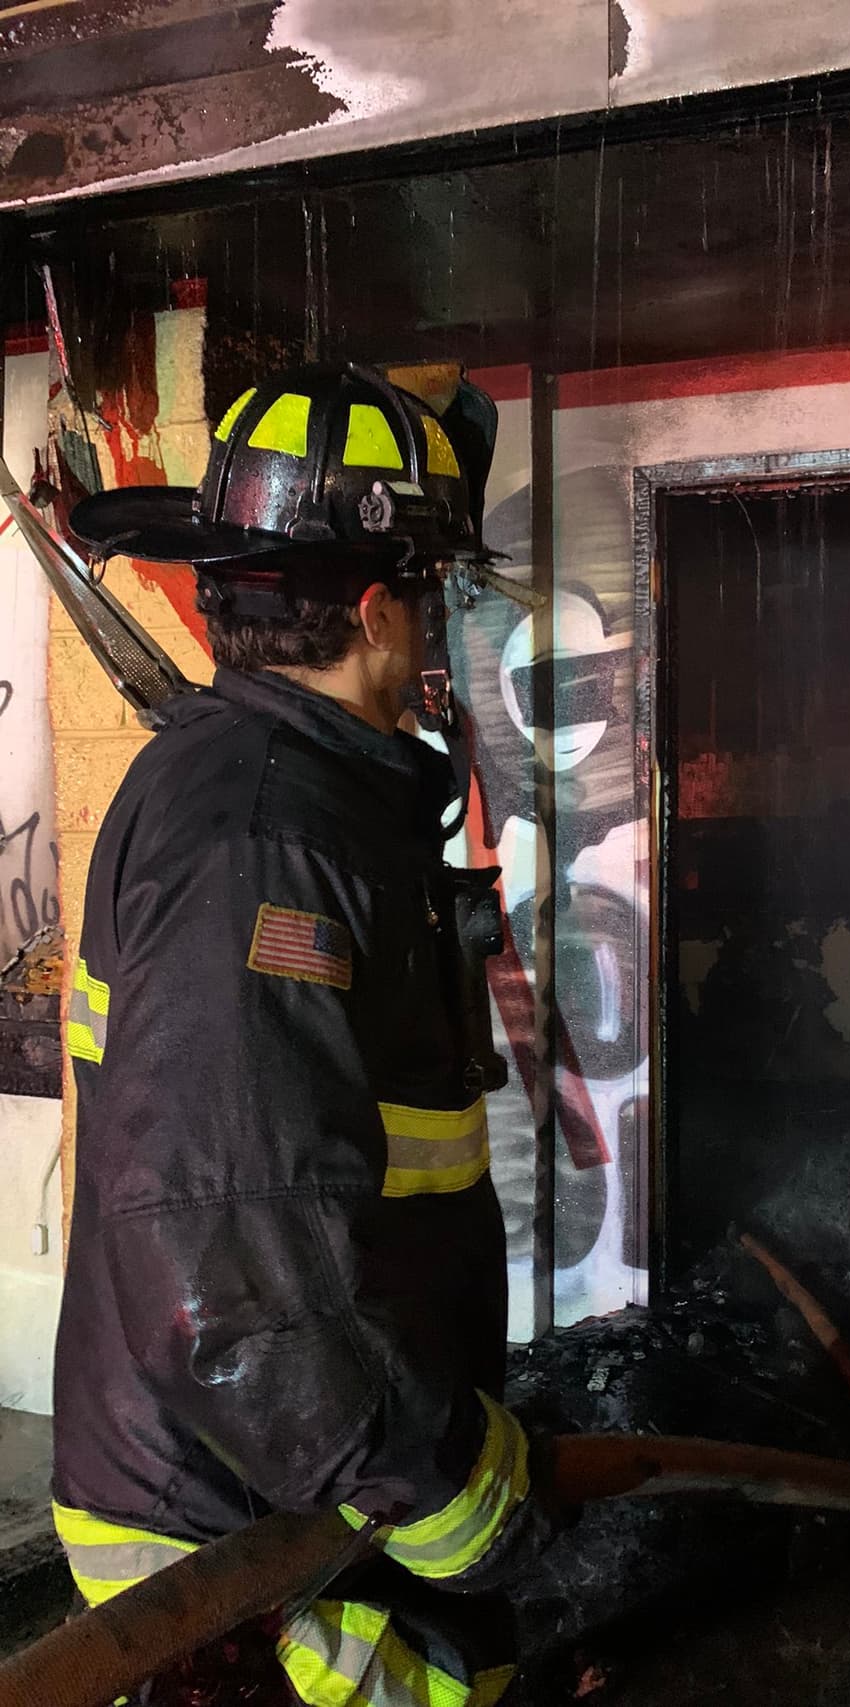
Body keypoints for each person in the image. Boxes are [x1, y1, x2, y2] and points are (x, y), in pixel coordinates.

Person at [52, 363, 559, 1706]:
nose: (445, 633)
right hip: (236, 1530)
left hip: (297, 1467)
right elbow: (233, 1260)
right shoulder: (267, 839)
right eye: (440, 594)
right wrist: (440, 1492)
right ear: (382, 613)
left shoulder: (283, 796)